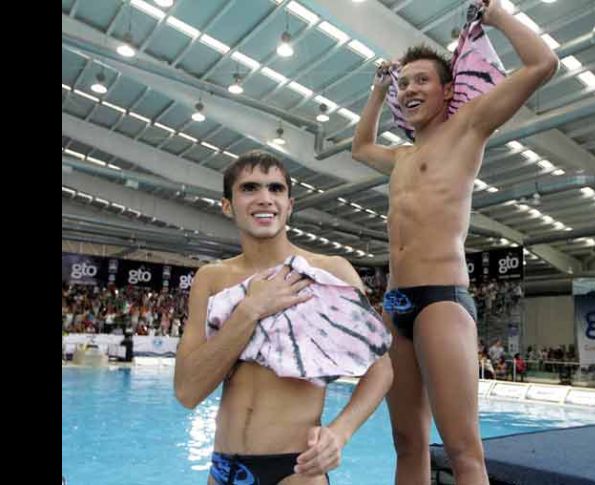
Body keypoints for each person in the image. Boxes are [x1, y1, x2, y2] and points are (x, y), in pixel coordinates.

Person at [351, 1, 558, 482]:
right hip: (394, 304)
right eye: (406, 83)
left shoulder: (468, 128)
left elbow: (543, 64)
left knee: (464, 451)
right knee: (407, 444)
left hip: (441, 300)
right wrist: (379, 91)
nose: (411, 89)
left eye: (421, 80)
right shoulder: (402, 156)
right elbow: (360, 147)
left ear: (449, 91)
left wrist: (498, 15)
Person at [173, 152, 394, 485]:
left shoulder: (328, 271)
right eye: (249, 188)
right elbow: (187, 391)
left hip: (297, 469)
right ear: (227, 205)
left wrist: (340, 432)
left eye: (275, 189)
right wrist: (248, 311)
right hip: (223, 470)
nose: (265, 199)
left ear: (289, 204)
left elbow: (382, 369)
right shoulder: (211, 279)